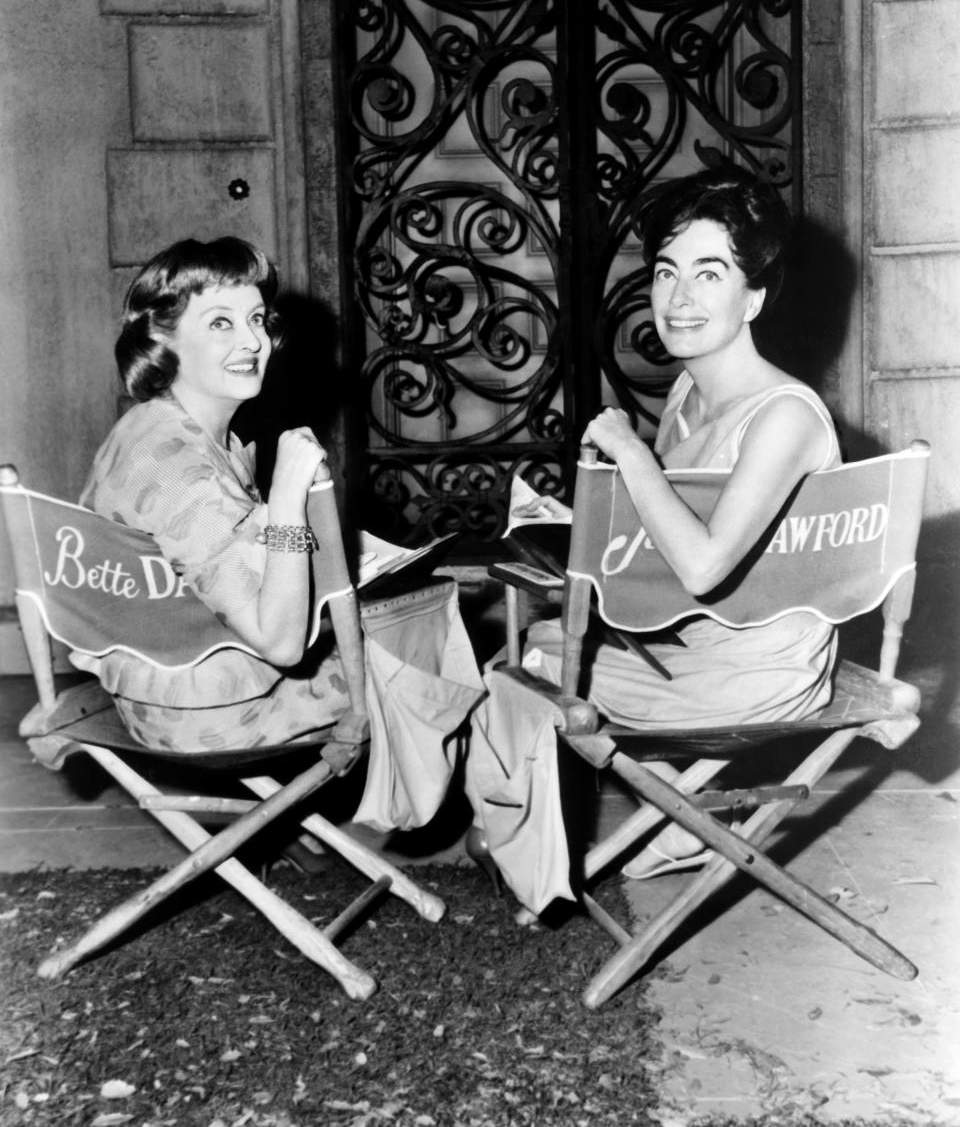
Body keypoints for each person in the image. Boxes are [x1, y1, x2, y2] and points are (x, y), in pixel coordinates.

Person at [466, 165, 841, 901]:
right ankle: (675, 824)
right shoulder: (688, 391)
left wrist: (633, 456)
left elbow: (701, 566)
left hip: (760, 668)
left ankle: (586, 841)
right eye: (667, 272)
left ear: (755, 294)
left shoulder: (783, 416)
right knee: (538, 645)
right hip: (697, 636)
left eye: (710, 273)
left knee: (535, 668)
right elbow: (663, 539)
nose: (679, 298)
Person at [74, 236, 482, 786]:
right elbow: (282, 644)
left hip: (172, 686)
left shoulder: (155, 425)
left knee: (400, 617)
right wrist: (288, 499)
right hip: (211, 717)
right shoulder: (179, 471)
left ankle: (290, 824)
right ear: (160, 338)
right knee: (438, 656)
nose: (253, 341)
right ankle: (489, 834)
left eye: (258, 319)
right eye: (220, 323)